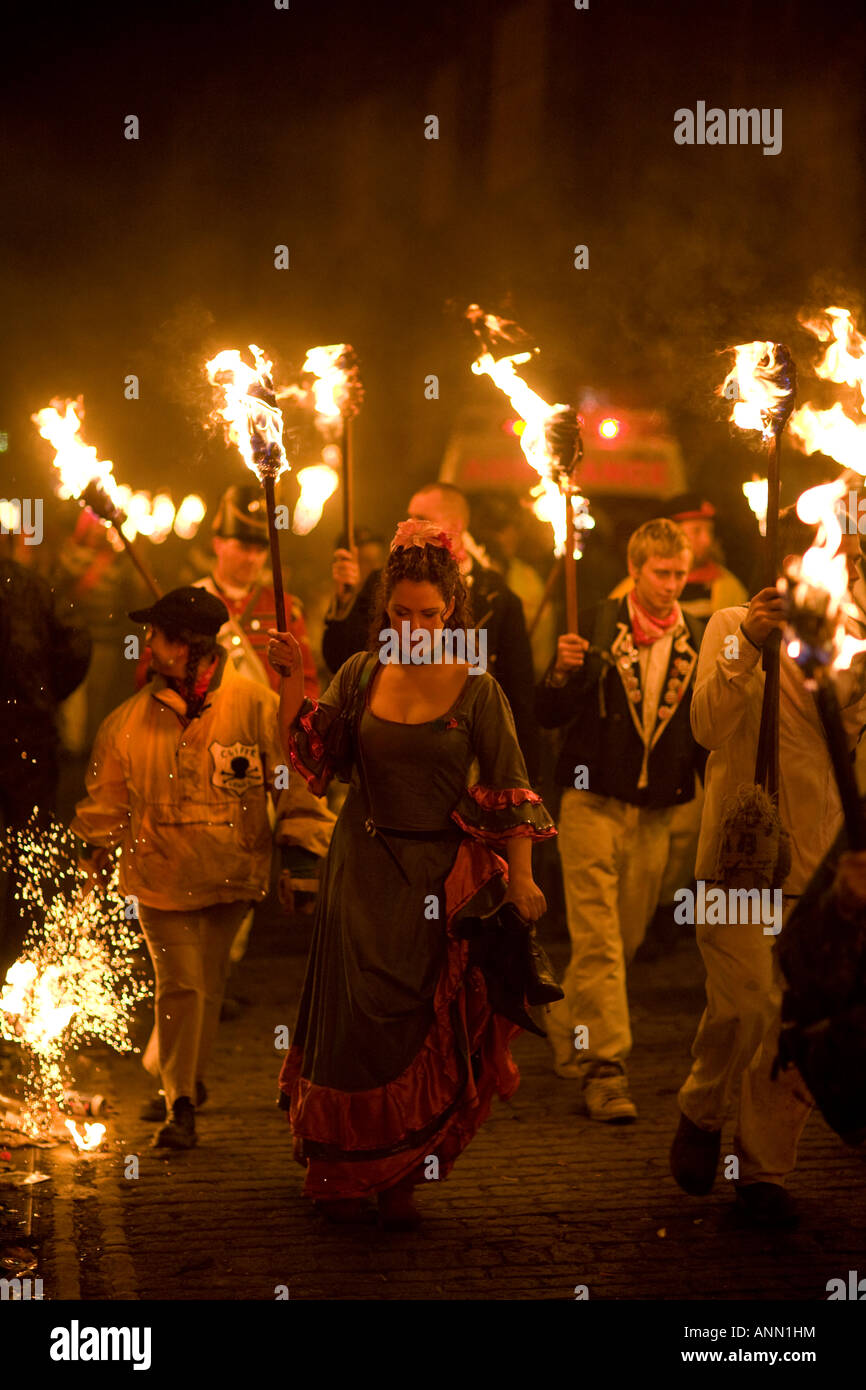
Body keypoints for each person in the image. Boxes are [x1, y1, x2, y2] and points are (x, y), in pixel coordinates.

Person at [268, 520, 555, 1230]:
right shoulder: (361, 673)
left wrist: (521, 880)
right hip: (360, 869)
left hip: (436, 879)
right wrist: (288, 680)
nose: (417, 626)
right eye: (402, 613)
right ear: (385, 609)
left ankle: (402, 1175)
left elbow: (513, 788)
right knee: (353, 1027)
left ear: (452, 610)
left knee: (413, 1024)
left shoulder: (478, 686)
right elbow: (315, 756)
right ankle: (340, 1168)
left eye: (431, 614)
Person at [670, 507, 866, 1225]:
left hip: (823, 865)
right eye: (833, 557)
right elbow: (705, 726)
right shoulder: (731, 624)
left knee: (798, 1017)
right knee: (748, 1003)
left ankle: (764, 1170)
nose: (844, 571)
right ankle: (700, 1104)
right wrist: (746, 648)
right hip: (742, 858)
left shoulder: (850, 643)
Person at [70, 587, 294, 1150]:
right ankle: (181, 1104)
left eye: (158, 634)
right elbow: (105, 806)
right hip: (160, 876)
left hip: (233, 871)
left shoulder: (254, 703)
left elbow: (288, 779)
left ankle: (175, 1072)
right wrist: (91, 858)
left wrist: (301, 848)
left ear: (188, 646)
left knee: (207, 984)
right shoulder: (127, 722)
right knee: (183, 985)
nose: (147, 644)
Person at [535, 519, 704, 1120]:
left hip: (653, 814)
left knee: (622, 942)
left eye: (681, 573)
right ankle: (605, 1069)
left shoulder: (699, 637)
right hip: (591, 802)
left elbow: (703, 733)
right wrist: (562, 671)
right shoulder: (596, 625)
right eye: (662, 573)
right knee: (600, 940)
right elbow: (547, 712)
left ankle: (560, 1017)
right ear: (635, 570)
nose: (672, 585)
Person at [321, 481, 540, 780]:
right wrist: (345, 601)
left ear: (456, 525)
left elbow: (518, 695)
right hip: (385, 744)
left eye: (420, 517)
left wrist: (517, 779)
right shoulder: (384, 582)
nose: (409, 525)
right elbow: (341, 658)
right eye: (408, 516)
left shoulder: (498, 598)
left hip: (460, 760)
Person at [194, 485, 336, 919]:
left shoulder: (284, 606)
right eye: (242, 545)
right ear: (218, 544)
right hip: (210, 741)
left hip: (269, 744)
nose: (252, 558)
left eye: (259, 548)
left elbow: (306, 679)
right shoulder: (192, 602)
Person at [0, 552, 91, 983]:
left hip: (27, 737)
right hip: (29, 738)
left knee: (28, 852)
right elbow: (76, 646)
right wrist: (47, 695)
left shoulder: (34, 587)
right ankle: (19, 960)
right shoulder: (34, 586)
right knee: (28, 855)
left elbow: (75, 645)